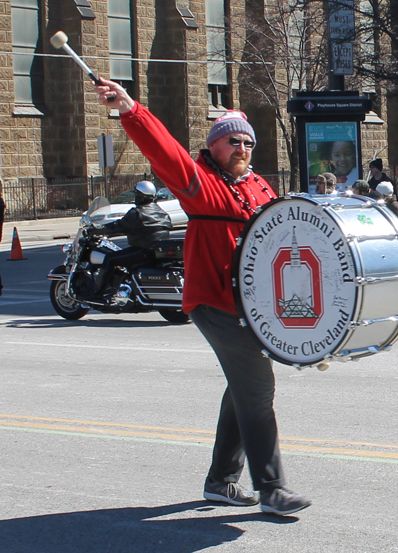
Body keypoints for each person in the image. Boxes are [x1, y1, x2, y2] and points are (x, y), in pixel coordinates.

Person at [93, 78, 311, 516]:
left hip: (252, 307)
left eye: (248, 143)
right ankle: (272, 488)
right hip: (213, 301)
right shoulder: (200, 182)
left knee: (242, 386)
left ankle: (221, 482)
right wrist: (130, 109)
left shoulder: (260, 186)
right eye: (233, 141)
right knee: (257, 385)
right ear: (214, 146)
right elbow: (165, 151)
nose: (243, 148)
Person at [88, 181, 172, 297]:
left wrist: (96, 230)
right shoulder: (161, 212)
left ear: (139, 196)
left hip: (143, 251)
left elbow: (117, 226)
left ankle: (99, 292)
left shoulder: (137, 213)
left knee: (110, 258)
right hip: (158, 253)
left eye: (136, 195)